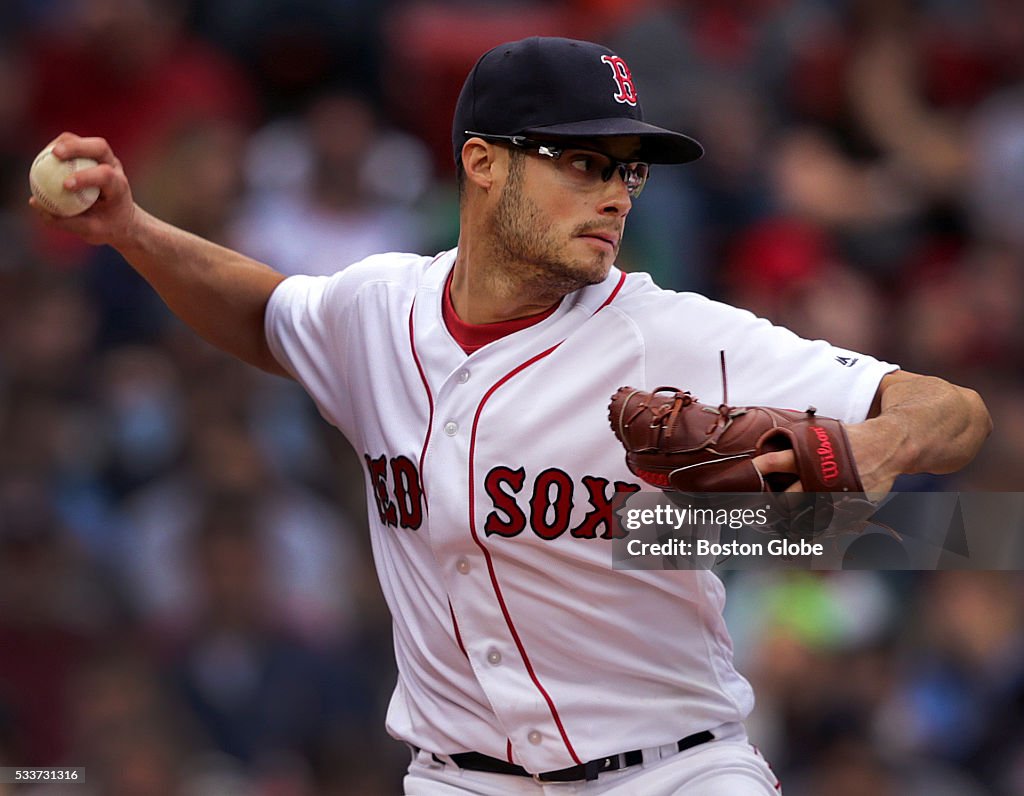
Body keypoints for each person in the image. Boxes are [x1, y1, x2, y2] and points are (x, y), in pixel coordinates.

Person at [32, 36, 990, 796]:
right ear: (483, 164)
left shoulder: (671, 334)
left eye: (631, 170)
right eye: (584, 160)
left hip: (675, 771)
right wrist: (131, 230)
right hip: (460, 781)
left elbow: (952, 411)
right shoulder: (376, 312)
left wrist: (876, 441)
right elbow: (266, 313)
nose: (617, 191)